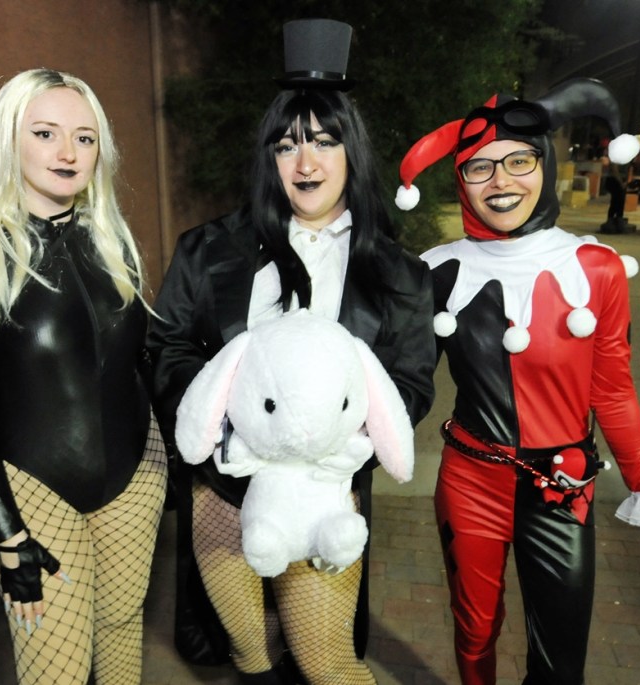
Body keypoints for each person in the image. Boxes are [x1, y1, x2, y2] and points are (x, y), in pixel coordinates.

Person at [147, 19, 436, 684]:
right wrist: (221, 428)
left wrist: (343, 441)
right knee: (248, 655)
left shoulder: (399, 276)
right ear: (268, 159)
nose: (305, 163)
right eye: (286, 145)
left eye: (324, 142)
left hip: (325, 495)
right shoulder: (206, 250)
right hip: (222, 490)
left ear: (351, 154)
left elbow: (410, 381)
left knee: (325, 661)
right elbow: (167, 346)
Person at [394, 78, 640, 684]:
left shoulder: (594, 268)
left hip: (564, 486)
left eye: (519, 161)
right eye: (479, 167)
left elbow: (612, 389)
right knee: (474, 633)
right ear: (460, 181)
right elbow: (397, 375)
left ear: (544, 166)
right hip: (471, 480)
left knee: (560, 657)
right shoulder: (437, 272)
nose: (500, 182)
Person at [0, 68, 167, 685]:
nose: (68, 152)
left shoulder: (112, 241)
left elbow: (139, 364)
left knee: (120, 632)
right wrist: (7, 536)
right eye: (45, 132)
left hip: (137, 476)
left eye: (85, 139)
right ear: (10, 141)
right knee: (52, 673)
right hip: (33, 493)